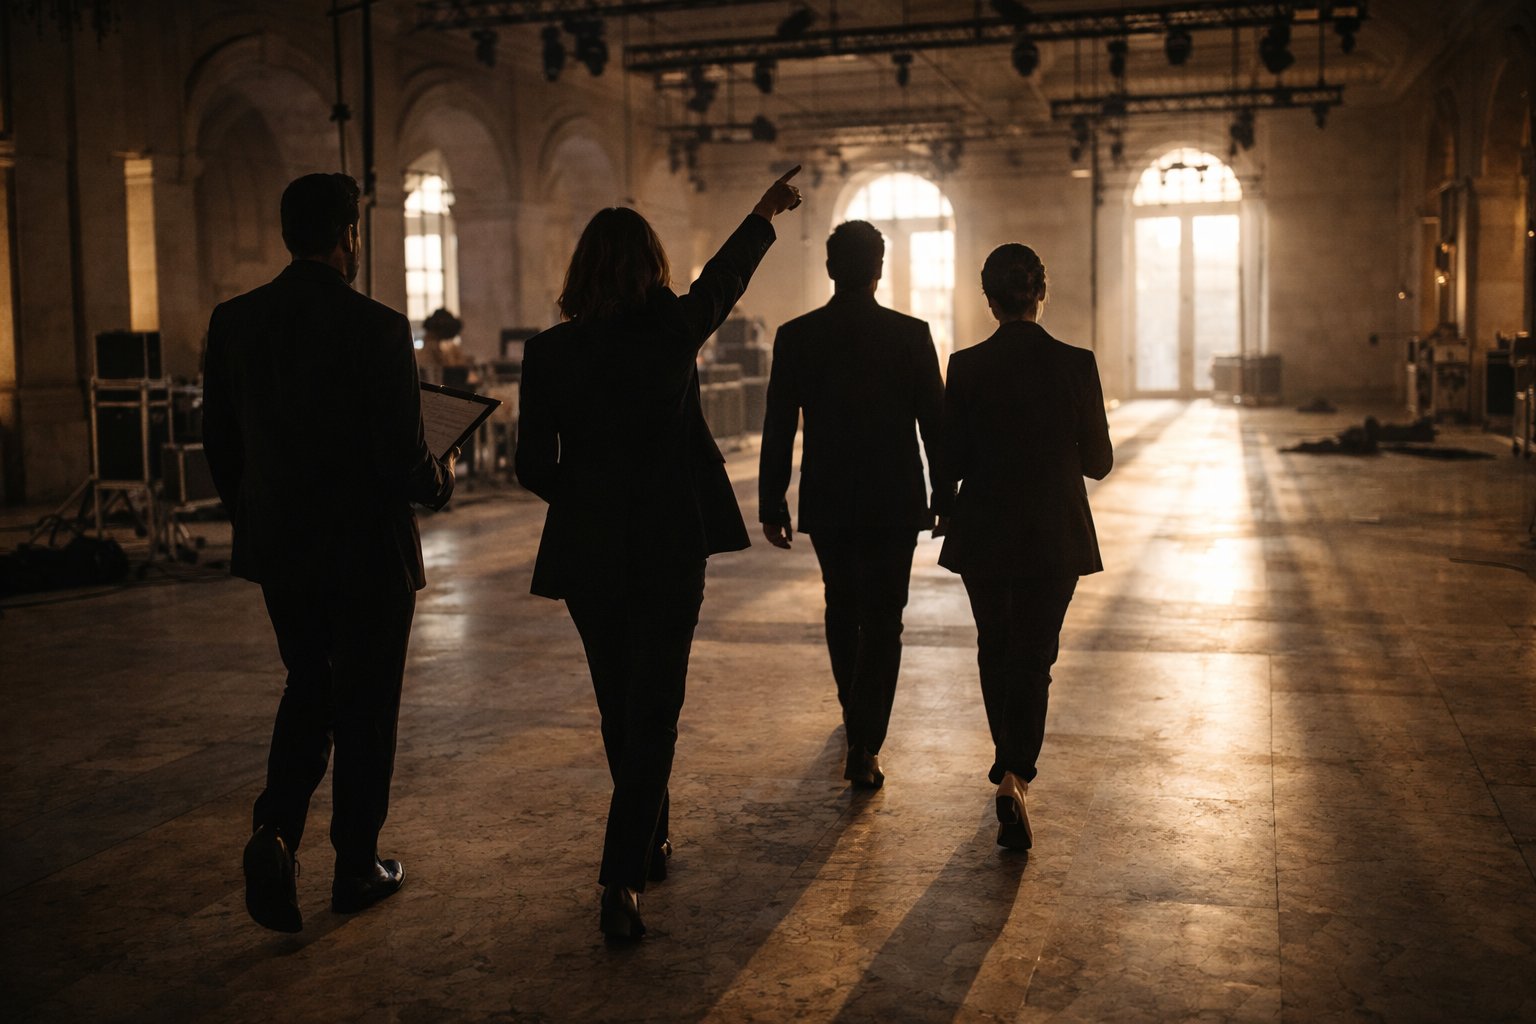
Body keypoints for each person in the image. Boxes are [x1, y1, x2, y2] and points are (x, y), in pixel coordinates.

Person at [515, 167, 803, 941]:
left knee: (620, 705)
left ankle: (648, 838)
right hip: (671, 541)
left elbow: (532, 468)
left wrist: (587, 496)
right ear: (652, 270)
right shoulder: (672, 329)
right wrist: (762, 212)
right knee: (657, 709)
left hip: (589, 549)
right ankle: (622, 875)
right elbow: (724, 281)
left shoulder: (548, 354)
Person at [203, 173, 457, 932]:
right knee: (367, 702)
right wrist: (437, 481)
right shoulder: (376, 328)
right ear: (350, 235)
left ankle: (276, 831)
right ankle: (355, 866)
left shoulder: (235, 321)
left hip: (283, 548)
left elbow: (221, 442)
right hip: (368, 551)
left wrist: (258, 517)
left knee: (307, 687)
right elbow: (405, 458)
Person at [935, 243, 1112, 850]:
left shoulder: (964, 366)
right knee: (1034, 655)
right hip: (1053, 530)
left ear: (989, 300)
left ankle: (1005, 762)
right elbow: (1099, 462)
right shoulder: (1077, 363)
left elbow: (951, 460)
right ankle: (1016, 773)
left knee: (995, 646)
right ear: (1042, 292)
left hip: (984, 528)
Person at [758, 220, 946, 790]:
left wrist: (773, 500)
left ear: (830, 269)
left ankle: (853, 712)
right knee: (886, 618)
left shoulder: (798, 336)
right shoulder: (911, 334)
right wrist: (946, 492)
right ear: (879, 268)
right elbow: (935, 425)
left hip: (830, 495)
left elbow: (778, 426)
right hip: (894, 498)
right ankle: (865, 740)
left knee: (842, 605)